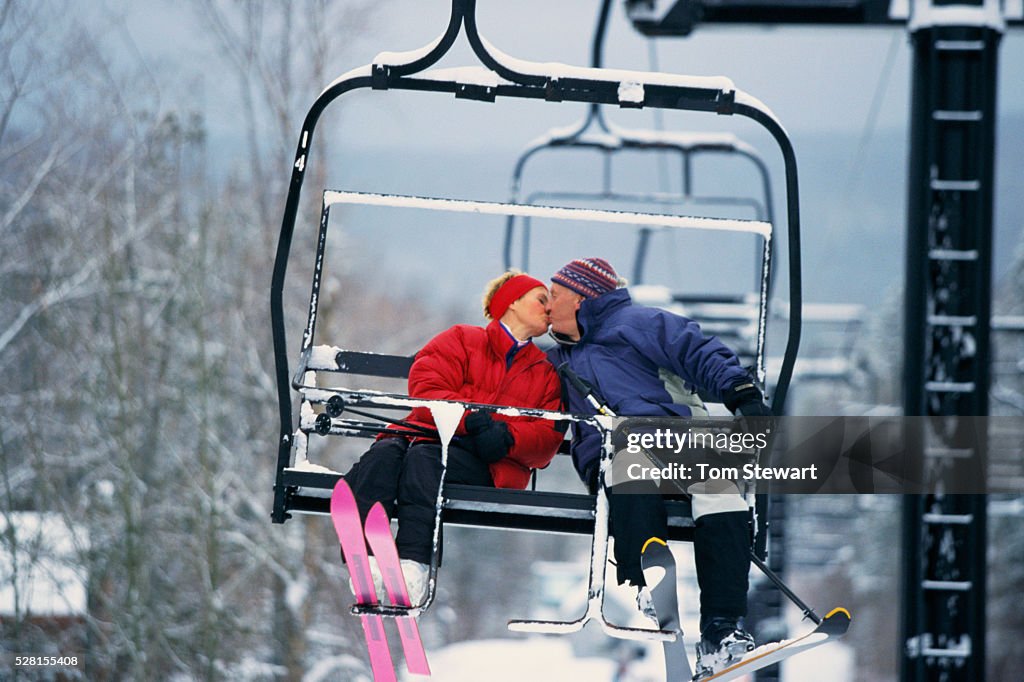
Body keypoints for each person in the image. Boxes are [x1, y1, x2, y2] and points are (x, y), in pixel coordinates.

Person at [545, 257, 771, 678]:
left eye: (554, 294)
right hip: (618, 453)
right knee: (628, 455)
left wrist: (740, 393)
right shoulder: (556, 360)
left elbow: (695, 350)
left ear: (580, 297)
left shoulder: (635, 324)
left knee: (719, 485)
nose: (547, 304)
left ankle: (721, 627)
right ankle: (649, 576)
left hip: (674, 441)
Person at [343, 271, 564, 605]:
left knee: (425, 461)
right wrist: (469, 421)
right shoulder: (462, 339)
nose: (549, 309)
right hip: (424, 436)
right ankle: (367, 561)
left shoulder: (544, 372)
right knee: (383, 456)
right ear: (512, 302)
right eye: (541, 299)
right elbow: (427, 384)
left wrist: (506, 437)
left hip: (485, 462)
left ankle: (412, 564)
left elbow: (547, 436)